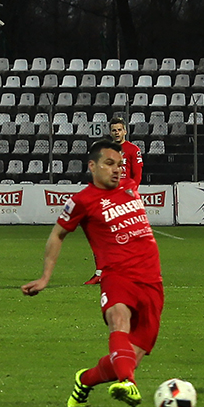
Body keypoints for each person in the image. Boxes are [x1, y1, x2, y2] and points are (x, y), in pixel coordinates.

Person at [21, 139, 164, 407]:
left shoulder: (130, 186)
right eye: (109, 163)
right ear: (92, 166)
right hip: (117, 275)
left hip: (152, 280)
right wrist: (45, 277)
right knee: (118, 318)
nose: (117, 169)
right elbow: (57, 234)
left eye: (119, 164)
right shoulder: (82, 201)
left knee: (129, 357)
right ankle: (128, 383)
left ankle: (84, 380)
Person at [85, 116, 143, 285]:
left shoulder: (133, 150)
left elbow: (137, 175)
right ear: (110, 132)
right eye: (114, 130)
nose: (117, 133)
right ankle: (100, 272)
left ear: (125, 131)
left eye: (119, 130)